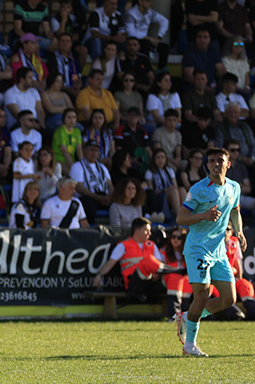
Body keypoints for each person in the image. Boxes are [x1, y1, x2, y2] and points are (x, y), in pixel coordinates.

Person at [176, 146, 245, 355]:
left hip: (218, 251)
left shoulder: (234, 187)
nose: (216, 164)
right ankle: (189, 345)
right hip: (198, 249)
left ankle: (187, 317)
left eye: (220, 160)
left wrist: (239, 232)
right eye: (212, 161)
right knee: (203, 295)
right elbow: (181, 218)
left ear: (228, 164)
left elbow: (235, 211)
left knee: (229, 299)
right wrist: (203, 215)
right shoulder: (199, 189)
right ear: (207, 165)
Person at [92, 217, 164, 300]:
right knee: (148, 261)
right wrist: (99, 275)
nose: (149, 233)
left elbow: (159, 264)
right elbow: (110, 263)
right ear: (137, 231)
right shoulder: (123, 245)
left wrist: (157, 274)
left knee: (172, 276)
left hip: (151, 283)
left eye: (150, 231)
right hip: (135, 285)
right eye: (146, 230)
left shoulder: (152, 245)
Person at [70, 141, 114, 222]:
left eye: (96, 151)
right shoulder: (77, 166)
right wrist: (97, 197)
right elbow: (79, 187)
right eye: (91, 150)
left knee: (117, 204)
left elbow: (110, 185)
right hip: (88, 197)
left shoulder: (102, 167)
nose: (94, 153)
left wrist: (109, 197)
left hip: (103, 195)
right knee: (88, 205)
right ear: (84, 151)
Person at [145, 147, 181, 220]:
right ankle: (179, 216)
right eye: (158, 157)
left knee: (182, 190)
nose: (160, 160)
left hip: (172, 193)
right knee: (173, 190)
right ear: (154, 159)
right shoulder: (150, 172)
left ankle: (186, 214)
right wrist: (165, 190)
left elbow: (175, 185)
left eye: (162, 157)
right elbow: (151, 191)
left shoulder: (169, 170)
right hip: (159, 196)